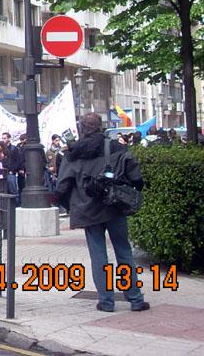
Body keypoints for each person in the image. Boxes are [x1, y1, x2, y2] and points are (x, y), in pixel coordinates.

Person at [55, 112, 149, 313]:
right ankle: (135, 299)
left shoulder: (73, 153)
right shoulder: (115, 147)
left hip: (88, 210)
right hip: (114, 207)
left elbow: (61, 186)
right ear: (101, 126)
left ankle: (106, 301)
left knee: (98, 256)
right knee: (124, 252)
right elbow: (135, 175)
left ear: (82, 128)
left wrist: (72, 205)